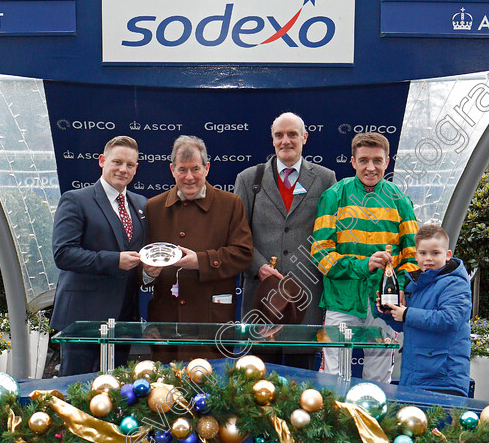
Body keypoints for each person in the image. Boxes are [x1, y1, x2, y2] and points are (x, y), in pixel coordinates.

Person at [310, 131, 419, 381]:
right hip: (341, 299)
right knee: (333, 375)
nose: (371, 167)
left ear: (387, 161)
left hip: (385, 302)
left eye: (377, 160)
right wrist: (364, 265)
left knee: (380, 377)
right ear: (353, 162)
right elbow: (320, 252)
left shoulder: (401, 200)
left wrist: (399, 286)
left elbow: (413, 256)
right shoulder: (334, 196)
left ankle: (374, 420)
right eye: (364, 160)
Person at [234, 112, 336, 368]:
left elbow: (332, 234)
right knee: (257, 373)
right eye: (279, 135)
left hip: (307, 294)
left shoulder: (325, 179)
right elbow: (237, 234)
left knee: (300, 377)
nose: (285, 140)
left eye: (292, 134)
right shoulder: (248, 179)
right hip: (261, 293)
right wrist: (259, 266)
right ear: (272, 140)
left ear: (304, 137)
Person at [144, 135, 253, 361]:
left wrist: (201, 261)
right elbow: (143, 259)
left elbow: (243, 254)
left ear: (207, 168)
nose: (189, 177)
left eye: (195, 168)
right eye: (182, 170)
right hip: (166, 325)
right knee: (165, 392)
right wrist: (147, 272)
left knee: (212, 389)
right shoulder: (153, 207)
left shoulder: (231, 204)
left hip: (212, 324)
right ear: (172, 170)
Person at [50, 135, 145, 376]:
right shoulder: (75, 200)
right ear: (102, 161)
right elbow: (63, 254)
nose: (123, 169)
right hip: (82, 319)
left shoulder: (141, 204)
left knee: (117, 393)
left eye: (130, 165)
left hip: (123, 320)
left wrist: (150, 271)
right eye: (117, 162)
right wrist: (115, 261)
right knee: (75, 391)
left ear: (136, 169)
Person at [376, 224, 471, 396]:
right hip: (414, 376)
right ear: (415, 255)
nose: (428, 258)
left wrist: (406, 313)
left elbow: (450, 319)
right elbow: (407, 325)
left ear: (447, 255)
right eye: (423, 253)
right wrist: (389, 313)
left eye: (435, 253)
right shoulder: (415, 283)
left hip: (444, 380)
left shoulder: (455, 283)